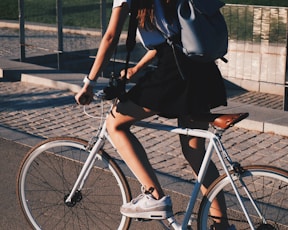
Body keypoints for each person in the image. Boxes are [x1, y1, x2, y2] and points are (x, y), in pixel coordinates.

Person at [75, 0, 232, 229]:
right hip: (202, 67)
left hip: (175, 71)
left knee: (115, 124)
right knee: (195, 151)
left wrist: (89, 83)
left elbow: (110, 37)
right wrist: (136, 70)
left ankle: (154, 197)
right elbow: (171, 38)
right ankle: (221, 226)